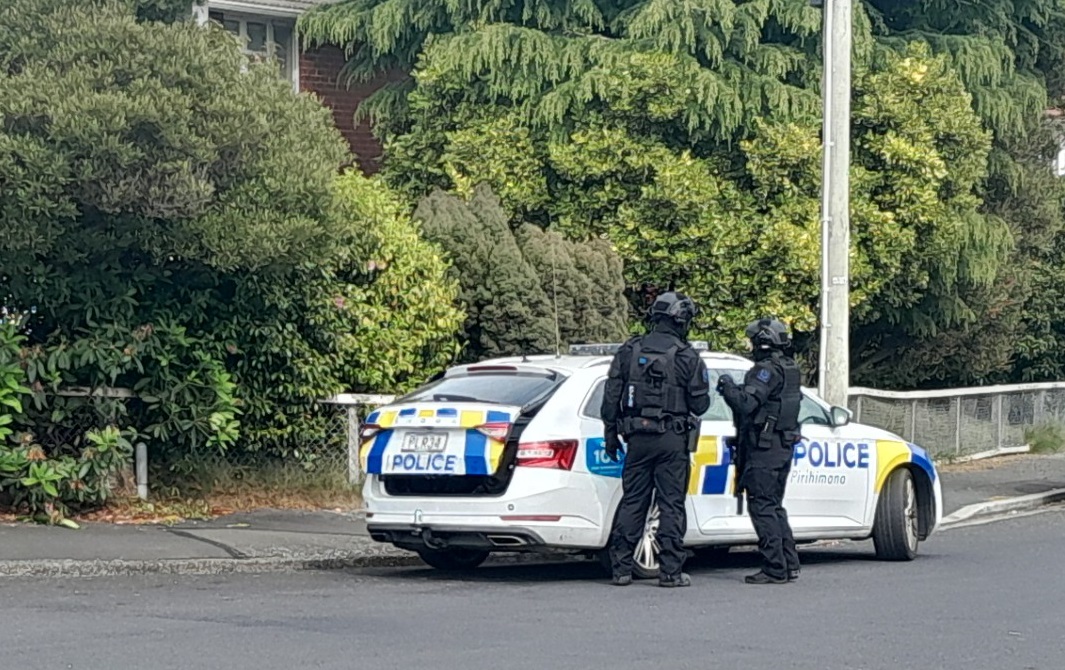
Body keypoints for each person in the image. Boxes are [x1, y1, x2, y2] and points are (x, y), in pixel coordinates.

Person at [600, 291, 711, 587]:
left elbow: (610, 398)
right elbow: (700, 405)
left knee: (633, 500)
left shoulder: (629, 350)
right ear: (682, 319)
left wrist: (610, 435)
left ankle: (621, 569)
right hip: (672, 440)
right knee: (671, 503)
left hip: (636, 438)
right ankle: (671, 572)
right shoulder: (688, 356)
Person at [717, 318, 803, 585]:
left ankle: (774, 567)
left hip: (764, 449)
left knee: (763, 507)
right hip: (782, 446)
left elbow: (746, 403)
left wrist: (728, 387)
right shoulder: (790, 368)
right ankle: (789, 563)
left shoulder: (765, 371)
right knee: (775, 506)